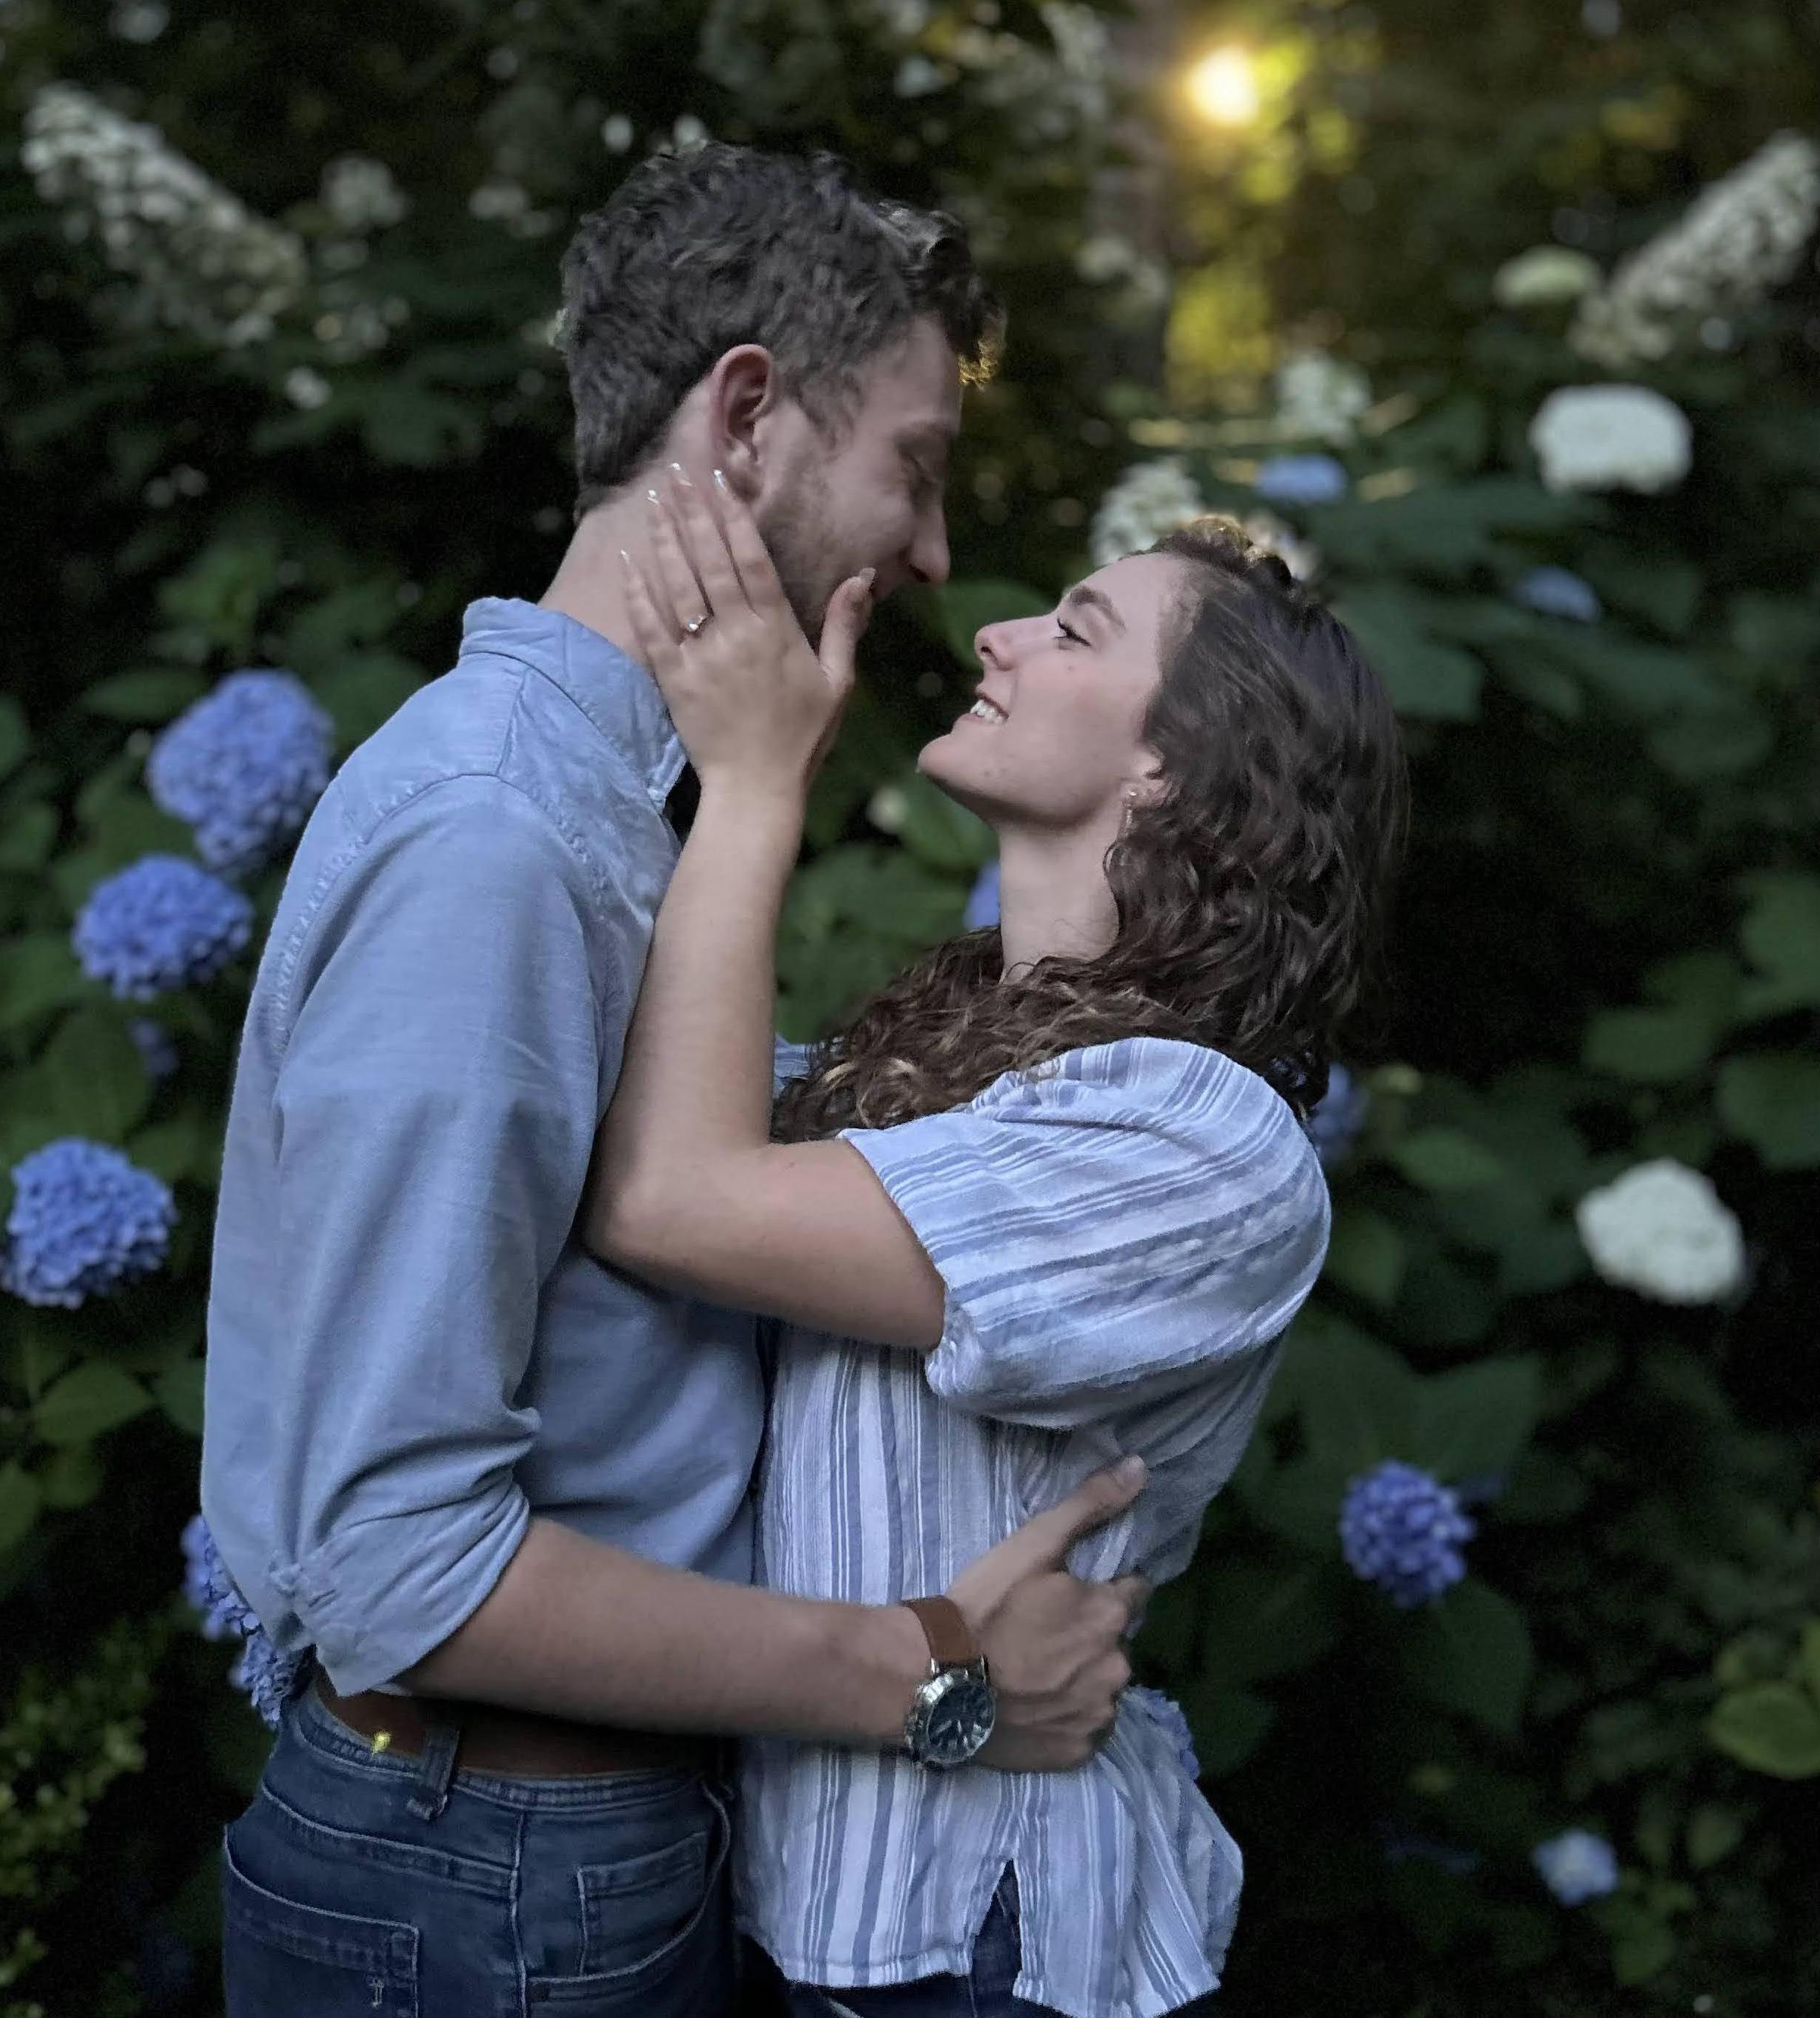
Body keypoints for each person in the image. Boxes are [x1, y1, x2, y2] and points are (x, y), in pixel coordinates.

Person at [203, 143, 1144, 2018]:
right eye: (914, 468)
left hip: (550, 1856)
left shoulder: (620, 819)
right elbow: (400, 1566)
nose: (934, 555)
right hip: (489, 1880)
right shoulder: (497, 839)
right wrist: (937, 1671)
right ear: (745, 415)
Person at [583, 474, 1408, 2017]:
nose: (1000, 634)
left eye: (1076, 629)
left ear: (1172, 767)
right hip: (803, 1915)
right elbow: (628, 1113)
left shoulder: (1200, 1139)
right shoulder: (931, 1068)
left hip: (991, 1943)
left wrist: (753, 784)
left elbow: (670, 1200)